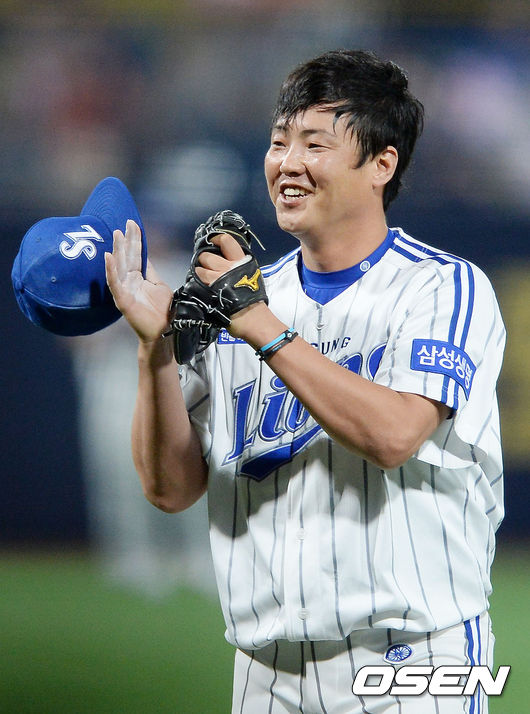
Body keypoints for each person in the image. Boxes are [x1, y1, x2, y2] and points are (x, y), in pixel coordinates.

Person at [105, 50, 505, 713]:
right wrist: (155, 350)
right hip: (265, 672)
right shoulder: (240, 301)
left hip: (412, 659)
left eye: (315, 144)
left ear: (382, 164)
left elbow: (394, 435)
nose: (287, 162)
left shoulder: (442, 287)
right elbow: (170, 489)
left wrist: (258, 324)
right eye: (279, 141)